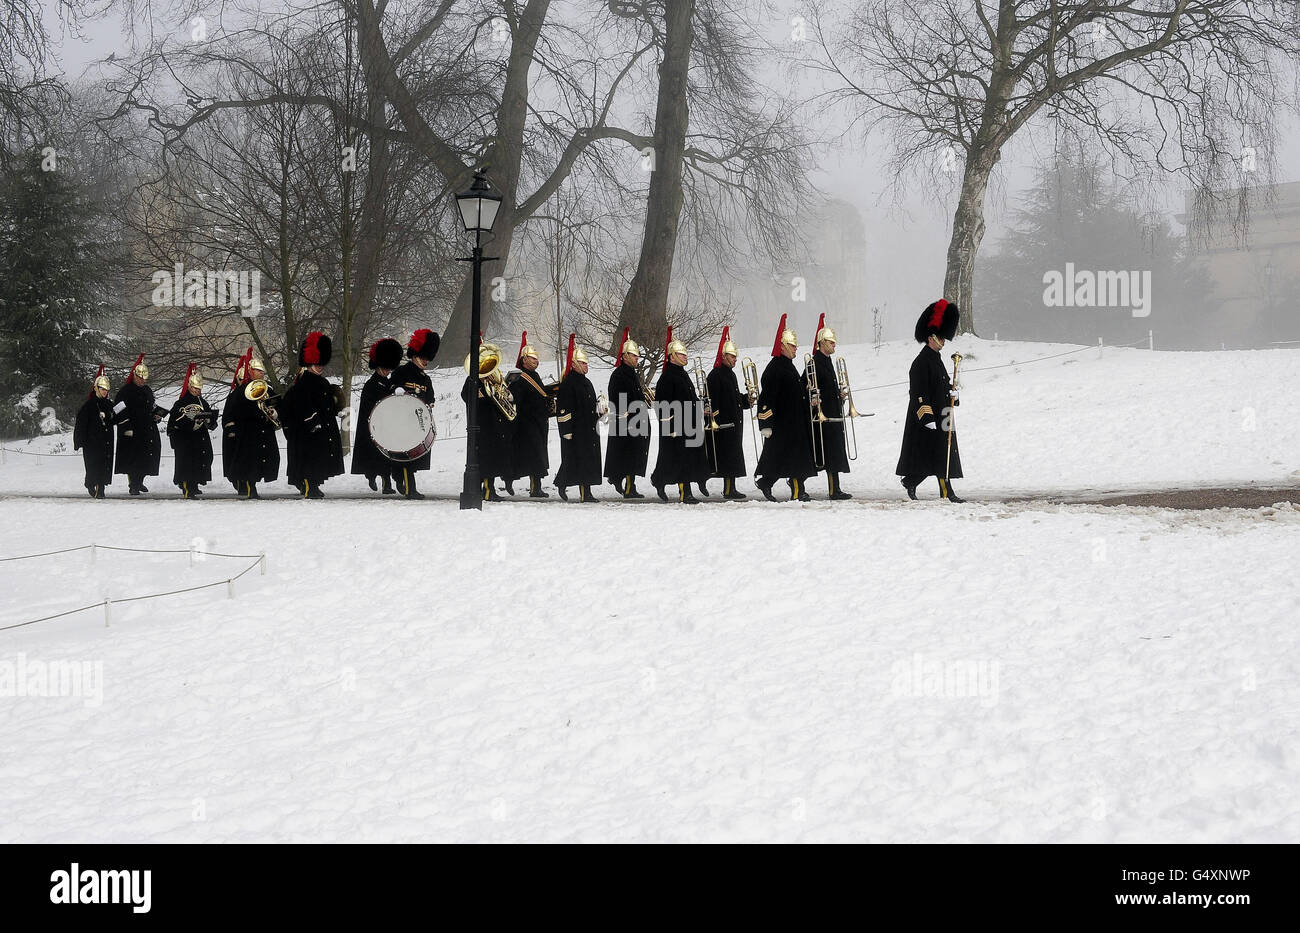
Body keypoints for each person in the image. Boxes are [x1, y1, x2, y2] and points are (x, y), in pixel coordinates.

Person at [897, 299, 964, 502]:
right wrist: (928, 418)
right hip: (930, 416)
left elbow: (942, 387)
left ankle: (933, 487)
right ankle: (926, 486)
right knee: (930, 456)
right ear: (930, 338)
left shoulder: (937, 360)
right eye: (940, 337)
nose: (943, 341)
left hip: (944, 413)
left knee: (943, 455)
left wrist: (954, 394)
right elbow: (919, 393)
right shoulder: (920, 362)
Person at [754, 315, 816, 501]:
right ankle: (798, 491)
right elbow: (767, 398)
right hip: (783, 423)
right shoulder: (774, 369)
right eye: (793, 345)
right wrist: (766, 422)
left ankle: (766, 481)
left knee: (780, 458)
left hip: (795, 422)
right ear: (782, 346)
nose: (796, 349)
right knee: (792, 459)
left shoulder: (788, 366)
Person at [282, 332, 345, 498]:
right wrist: (313, 422)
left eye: (321, 363)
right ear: (310, 363)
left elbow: (327, 405)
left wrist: (335, 402)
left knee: (319, 459)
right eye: (317, 363)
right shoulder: (304, 382)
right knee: (310, 460)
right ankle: (310, 486)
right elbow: (303, 405)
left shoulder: (322, 382)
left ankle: (314, 485)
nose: (320, 366)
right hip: (308, 430)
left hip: (322, 427)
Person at [650, 335, 710, 504]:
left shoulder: (683, 375)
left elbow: (688, 399)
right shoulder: (667, 377)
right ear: (672, 356)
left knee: (681, 460)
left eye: (685, 354)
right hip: (676, 427)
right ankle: (685, 493)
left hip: (689, 424)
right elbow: (661, 405)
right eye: (681, 354)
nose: (685, 357)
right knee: (679, 460)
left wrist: (700, 409)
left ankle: (658, 480)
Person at [805, 314, 852, 500]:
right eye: (831, 342)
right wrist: (814, 398)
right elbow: (807, 386)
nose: (834, 345)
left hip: (833, 414)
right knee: (828, 455)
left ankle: (835, 489)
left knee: (834, 455)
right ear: (822, 343)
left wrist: (839, 396)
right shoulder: (814, 362)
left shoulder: (828, 362)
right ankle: (833, 490)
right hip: (823, 417)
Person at [389, 328, 439, 499]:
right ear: (415, 355)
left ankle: (398, 476)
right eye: (423, 357)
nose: (426, 361)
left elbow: (430, 396)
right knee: (405, 458)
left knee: (412, 458)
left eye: (427, 358)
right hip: (402, 421)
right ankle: (410, 489)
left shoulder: (426, 378)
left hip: (417, 422)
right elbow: (391, 390)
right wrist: (398, 390)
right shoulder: (401, 372)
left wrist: (430, 402)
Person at [462, 341, 515, 501]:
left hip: (495, 425)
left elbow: (504, 396)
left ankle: (489, 488)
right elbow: (466, 396)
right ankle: (487, 490)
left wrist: (506, 394)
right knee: (485, 460)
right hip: (482, 426)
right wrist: (485, 393)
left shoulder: (494, 379)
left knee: (493, 458)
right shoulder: (473, 380)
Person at [553, 334, 603, 502]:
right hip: (576, 430)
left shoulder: (587, 382)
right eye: (582, 363)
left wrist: (599, 412)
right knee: (576, 461)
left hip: (589, 428)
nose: (585, 365)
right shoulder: (568, 384)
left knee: (587, 461)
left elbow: (589, 405)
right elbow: (563, 410)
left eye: (586, 363)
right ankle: (569, 487)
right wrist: (566, 432)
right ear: (573, 364)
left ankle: (586, 492)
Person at [603, 328, 652, 499]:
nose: (636, 358)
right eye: (633, 355)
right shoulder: (618, 375)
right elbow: (617, 398)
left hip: (636, 420)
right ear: (624, 356)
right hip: (628, 422)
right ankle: (629, 488)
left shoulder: (632, 374)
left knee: (632, 455)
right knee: (629, 456)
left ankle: (618, 479)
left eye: (637, 356)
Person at [225, 353, 281, 499]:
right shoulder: (239, 392)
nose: (262, 373)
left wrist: (274, 412)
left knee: (267, 459)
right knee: (250, 462)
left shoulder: (267, 388)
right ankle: (250, 487)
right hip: (248, 433)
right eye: (258, 370)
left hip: (265, 431)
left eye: (262, 371)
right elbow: (231, 412)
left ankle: (254, 484)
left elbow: (278, 403)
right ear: (251, 371)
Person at [352, 338, 402, 494]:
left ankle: (387, 483)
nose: (387, 371)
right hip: (373, 424)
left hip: (387, 425)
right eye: (384, 368)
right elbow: (369, 406)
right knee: (374, 457)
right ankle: (372, 476)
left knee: (387, 457)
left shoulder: (389, 383)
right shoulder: (370, 384)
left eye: (388, 368)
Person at [705, 327, 751, 500]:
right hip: (723, 425)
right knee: (727, 460)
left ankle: (730, 488)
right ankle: (728, 489)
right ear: (723, 356)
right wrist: (717, 418)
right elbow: (711, 400)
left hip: (733, 423)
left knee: (732, 459)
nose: (735, 360)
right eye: (732, 357)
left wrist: (746, 400)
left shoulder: (730, 375)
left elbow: (734, 397)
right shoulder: (715, 376)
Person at [506, 332, 552, 498]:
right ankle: (531, 487)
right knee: (534, 457)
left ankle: (535, 486)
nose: (536, 361)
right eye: (532, 358)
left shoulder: (536, 375)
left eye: (536, 358)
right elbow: (514, 398)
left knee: (538, 457)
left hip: (539, 422)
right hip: (526, 424)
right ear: (524, 360)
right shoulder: (518, 377)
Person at [113, 354, 163, 495]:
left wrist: (157, 415)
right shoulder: (125, 391)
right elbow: (118, 409)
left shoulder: (147, 390)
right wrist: (126, 426)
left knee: (147, 457)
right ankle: (133, 484)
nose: (142, 380)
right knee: (134, 459)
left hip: (147, 429)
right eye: (140, 378)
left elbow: (151, 406)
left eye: (144, 378)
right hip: (133, 430)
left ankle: (139, 480)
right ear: (134, 376)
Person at [166, 364, 217, 498]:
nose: (197, 391)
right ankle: (188, 487)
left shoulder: (203, 402)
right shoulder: (180, 403)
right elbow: (175, 422)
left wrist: (208, 421)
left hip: (200, 438)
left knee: (202, 460)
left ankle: (195, 484)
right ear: (189, 386)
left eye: (199, 388)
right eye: (195, 388)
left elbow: (211, 420)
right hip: (186, 440)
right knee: (188, 463)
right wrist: (192, 425)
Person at [73, 367, 122, 498]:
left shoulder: (109, 404)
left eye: (106, 390)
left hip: (106, 439)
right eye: (102, 389)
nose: (105, 392)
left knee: (105, 465)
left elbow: (114, 419)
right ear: (96, 389)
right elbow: (81, 425)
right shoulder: (89, 406)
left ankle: (101, 488)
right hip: (92, 441)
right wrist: (79, 441)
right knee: (94, 465)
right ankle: (91, 483)